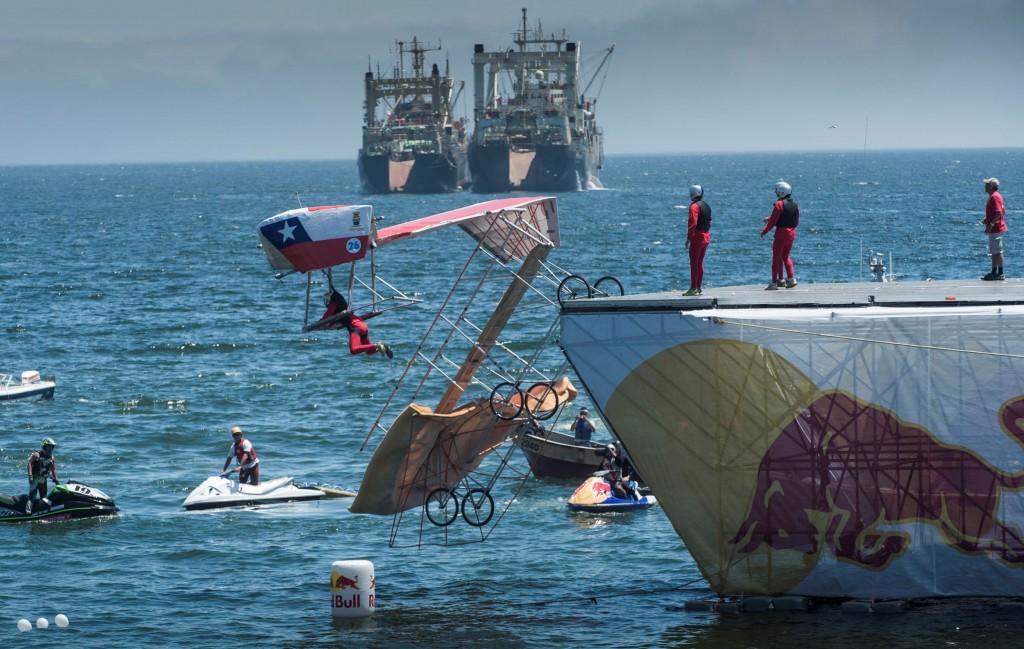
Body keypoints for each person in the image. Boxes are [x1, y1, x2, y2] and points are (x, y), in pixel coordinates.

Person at [321, 288, 393, 358]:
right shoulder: (340, 309)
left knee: (354, 350)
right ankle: (384, 347)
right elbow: (332, 321)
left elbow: (326, 317)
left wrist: (319, 323)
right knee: (369, 352)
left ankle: (377, 345)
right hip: (362, 326)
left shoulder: (334, 305)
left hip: (355, 327)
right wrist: (329, 325)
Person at [760, 181, 800, 290]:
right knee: (785, 256)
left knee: (776, 258)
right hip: (791, 233)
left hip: (781, 234)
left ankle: (774, 283)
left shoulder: (779, 204)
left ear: (781, 192)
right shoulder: (795, 205)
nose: (776, 193)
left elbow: (773, 221)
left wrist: (764, 231)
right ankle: (791, 279)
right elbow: (795, 222)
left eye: (777, 192)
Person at [684, 184, 712, 296]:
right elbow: (709, 222)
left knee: (694, 263)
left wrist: (688, 238)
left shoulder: (694, 207)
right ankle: (698, 287)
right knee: (699, 263)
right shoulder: (706, 205)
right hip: (706, 237)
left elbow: (693, 223)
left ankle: (693, 288)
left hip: (697, 238)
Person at [982, 177, 1007, 280]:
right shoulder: (995, 196)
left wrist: (991, 224)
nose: (985, 186)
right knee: (994, 250)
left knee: (997, 250)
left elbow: (998, 212)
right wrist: (987, 219)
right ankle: (994, 272)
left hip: (995, 228)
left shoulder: (994, 197)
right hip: (995, 227)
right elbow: (1002, 211)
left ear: (991, 186)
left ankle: (1000, 273)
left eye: (987, 184)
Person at [27, 437, 59, 504]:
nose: (50, 449)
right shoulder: (37, 455)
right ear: (44, 447)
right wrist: (30, 476)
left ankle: (43, 509)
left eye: (51, 447)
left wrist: (56, 480)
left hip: (43, 480)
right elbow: (29, 464)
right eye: (48, 447)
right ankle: (28, 509)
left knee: (44, 497)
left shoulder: (52, 458)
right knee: (33, 495)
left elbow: (54, 470)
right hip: (34, 479)